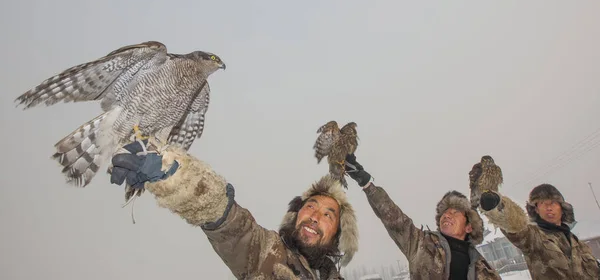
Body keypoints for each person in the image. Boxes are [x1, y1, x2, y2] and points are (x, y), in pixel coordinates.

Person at [110, 141, 359, 280]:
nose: (314, 217)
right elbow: (233, 227)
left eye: (328, 215)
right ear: (295, 216)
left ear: (338, 235)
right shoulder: (271, 253)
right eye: (310, 206)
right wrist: (175, 176)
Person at [344, 154, 500, 280]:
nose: (447, 215)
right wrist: (367, 184)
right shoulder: (421, 244)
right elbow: (394, 219)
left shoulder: (486, 272)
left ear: (469, 226)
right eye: (444, 212)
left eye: (455, 212)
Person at [476, 175, 600, 279]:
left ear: (562, 207)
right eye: (542, 203)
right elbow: (515, 227)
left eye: (552, 202)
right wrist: (497, 205)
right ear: (536, 209)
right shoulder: (534, 238)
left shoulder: (578, 244)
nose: (549, 208)